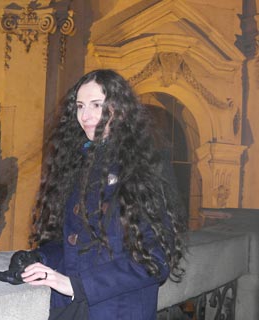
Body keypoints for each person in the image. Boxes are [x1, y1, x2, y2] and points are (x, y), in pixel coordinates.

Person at [13, 69, 185, 319]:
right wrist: (39, 258)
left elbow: (155, 262)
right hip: (75, 309)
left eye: (97, 105)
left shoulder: (146, 168)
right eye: (80, 106)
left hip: (119, 311)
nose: (85, 115)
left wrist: (79, 285)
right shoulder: (81, 164)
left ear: (121, 109)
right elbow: (77, 245)